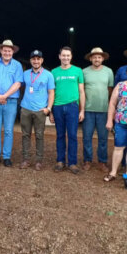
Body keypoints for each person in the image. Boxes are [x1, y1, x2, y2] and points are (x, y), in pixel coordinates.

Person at [0, 39, 23, 167]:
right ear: (1, 50)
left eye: (9, 50)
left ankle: (6, 156)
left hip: (10, 101)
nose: (7, 52)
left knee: (8, 130)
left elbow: (18, 83)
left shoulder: (17, 65)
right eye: (5, 50)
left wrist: (4, 96)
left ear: (13, 52)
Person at [50, 46, 85, 174]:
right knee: (59, 135)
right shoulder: (54, 72)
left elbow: (81, 91)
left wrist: (82, 110)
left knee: (72, 135)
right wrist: (51, 111)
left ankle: (72, 163)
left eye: (68, 55)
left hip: (72, 106)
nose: (65, 58)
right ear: (59, 56)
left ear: (71, 57)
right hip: (58, 106)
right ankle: (60, 161)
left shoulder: (77, 71)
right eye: (63, 55)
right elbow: (51, 92)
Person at [19, 50, 55, 170]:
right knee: (25, 135)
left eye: (38, 59)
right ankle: (26, 159)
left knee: (39, 136)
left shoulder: (48, 75)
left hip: (40, 110)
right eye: (33, 59)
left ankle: (39, 161)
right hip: (26, 109)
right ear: (30, 61)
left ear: (42, 60)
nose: (36, 61)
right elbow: (20, 87)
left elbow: (51, 92)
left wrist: (48, 108)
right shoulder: (25, 73)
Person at [82, 47, 114, 172]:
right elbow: (82, 90)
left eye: (99, 57)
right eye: (94, 57)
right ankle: (87, 160)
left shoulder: (108, 71)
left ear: (103, 58)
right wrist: (82, 108)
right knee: (87, 137)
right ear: (90, 58)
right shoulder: (84, 72)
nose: (97, 59)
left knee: (103, 137)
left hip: (104, 110)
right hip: (88, 109)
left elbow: (110, 90)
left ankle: (102, 161)